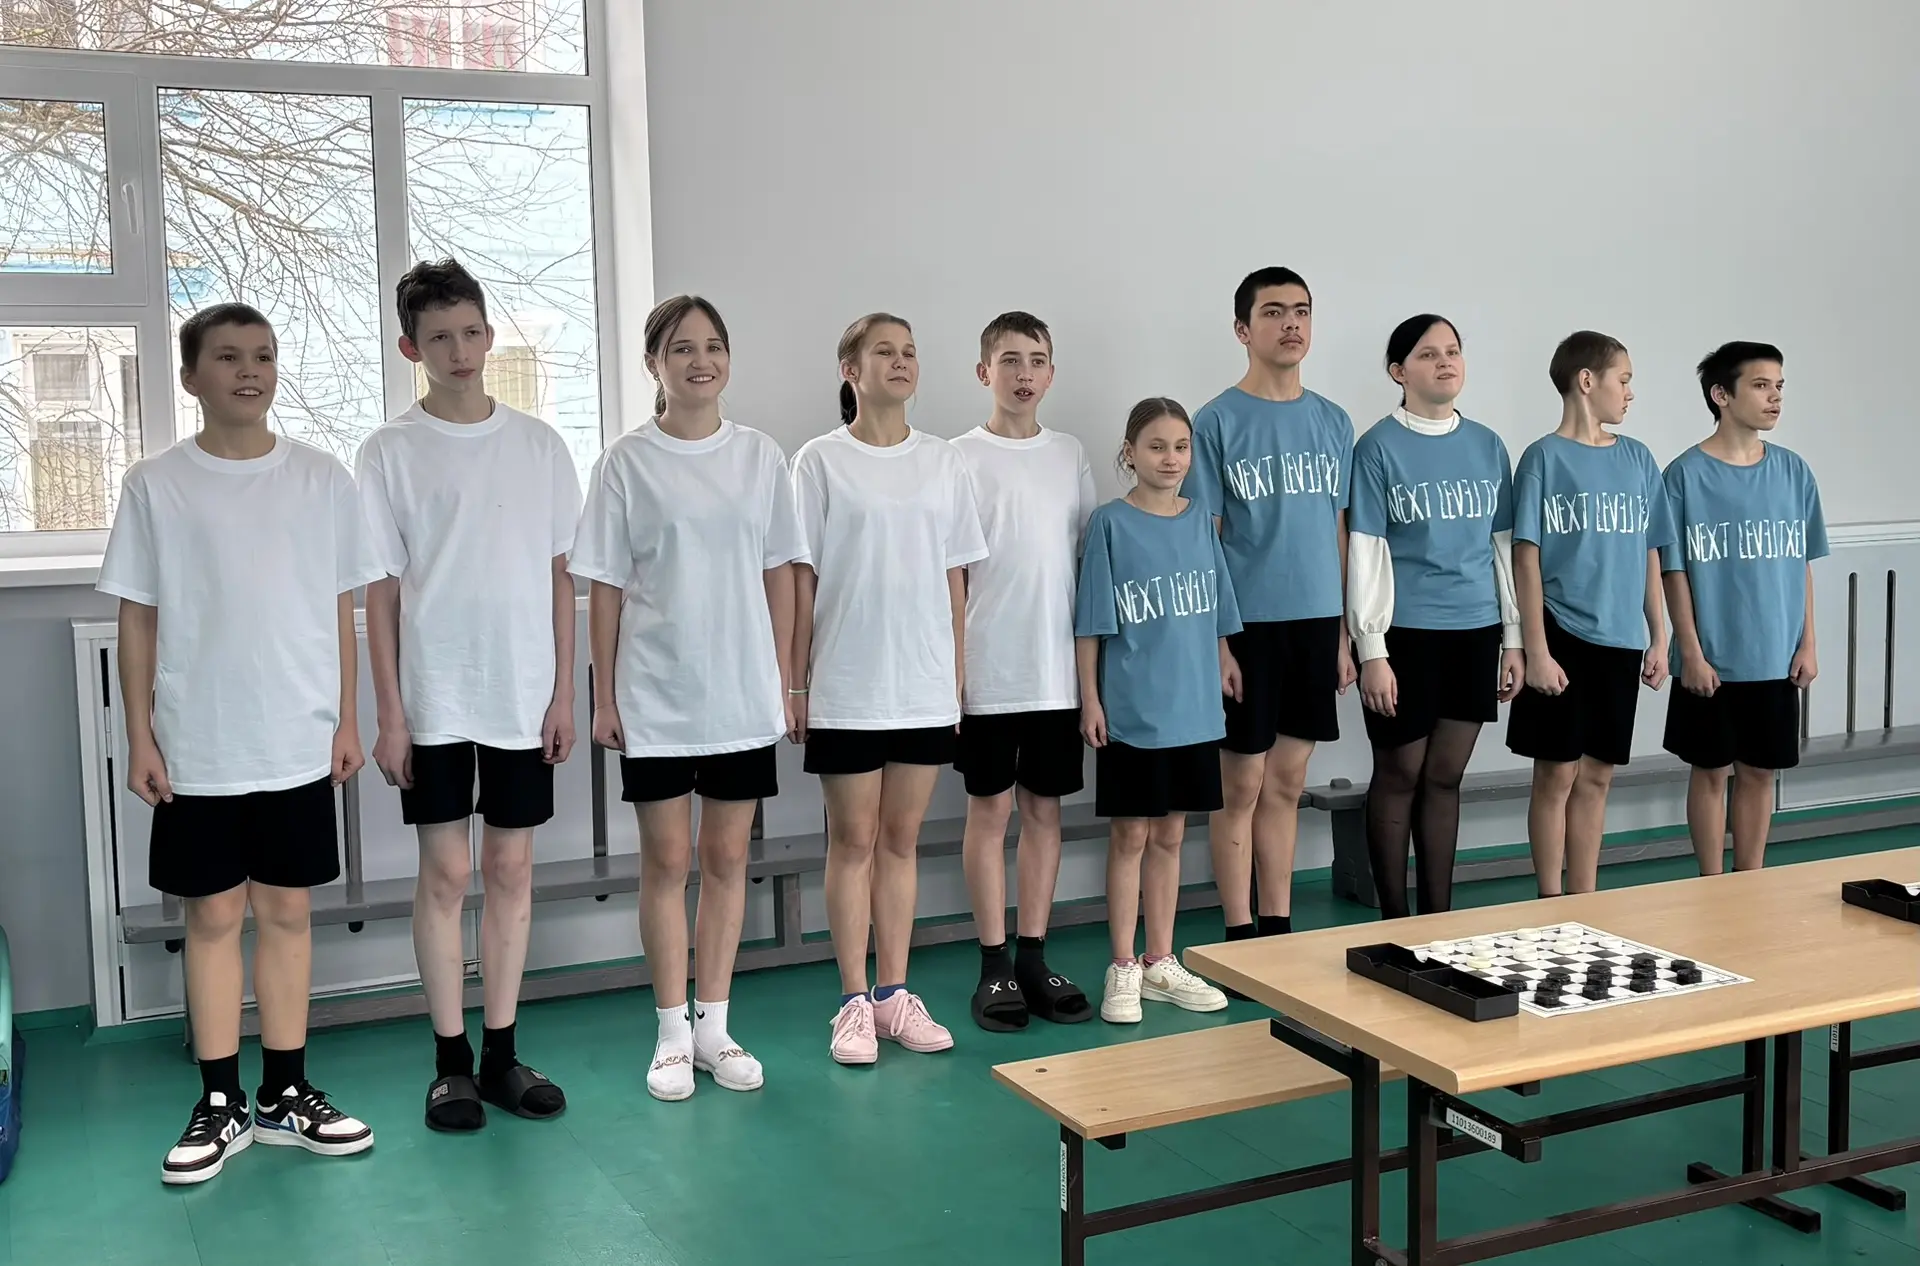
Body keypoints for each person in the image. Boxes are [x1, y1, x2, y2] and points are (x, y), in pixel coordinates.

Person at [100, 302, 381, 1183]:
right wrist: (139, 734)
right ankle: (219, 1103)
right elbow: (138, 618)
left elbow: (340, 606)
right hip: (200, 741)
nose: (248, 371)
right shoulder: (156, 485)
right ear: (191, 376)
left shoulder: (322, 479)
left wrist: (346, 718)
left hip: (295, 735)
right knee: (215, 917)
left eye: (262, 355)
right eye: (227, 357)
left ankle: (286, 1093)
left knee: (288, 913)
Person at [356, 258, 580, 1131]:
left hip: (522, 691)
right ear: (411, 347)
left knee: (511, 868)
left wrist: (563, 696)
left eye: (471, 332)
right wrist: (390, 713)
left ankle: (501, 1054)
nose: (459, 349)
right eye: (439, 337)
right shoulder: (388, 452)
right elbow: (381, 593)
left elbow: (561, 579)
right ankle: (449, 1062)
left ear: (489, 336)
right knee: (447, 871)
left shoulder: (539, 446)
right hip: (435, 694)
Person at [571, 295, 805, 1099]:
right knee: (667, 861)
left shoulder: (760, 457)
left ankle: (715, 1025)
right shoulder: (625, 462)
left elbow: (781, 573)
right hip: (656, 694)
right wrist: (604, 697)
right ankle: (671, 1030)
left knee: (728, 859)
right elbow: (604, 587)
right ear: (654, 364)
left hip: (740, 694)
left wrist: (784, 680)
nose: (700, 361)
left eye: (713, 346)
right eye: (682, 348)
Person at [791, 313, 989, 1064]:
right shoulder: (818, 462)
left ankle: (894, 995)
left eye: (910, 352)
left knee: (901, 842)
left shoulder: (943, 461)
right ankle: (851, 1003)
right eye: (885, 351)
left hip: (922, 684)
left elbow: (956, 579)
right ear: (851, 369)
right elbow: (802, 581)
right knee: (853, 842)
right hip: (846, 684)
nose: (902, 362)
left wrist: (956, 678)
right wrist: (797, 685)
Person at [1187, 267, 1356, 952]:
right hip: (1247, 626)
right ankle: (1238, 930)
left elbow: (1339, 531)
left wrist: (1344, 635)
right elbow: (1205, 538)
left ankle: (1278, 928)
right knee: (1243, 782)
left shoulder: (1333, 421)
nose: (1291, 324)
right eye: (1274, 312)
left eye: (1302, 311)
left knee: (1287, 780)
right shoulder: (1216, 421)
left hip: (1315, 623)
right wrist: (1219, 642)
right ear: (1243, 329)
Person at [951, 311, 1099, 1032]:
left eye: (1037, 360)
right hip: (987, 672)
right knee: (991, 812)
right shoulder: (958, 458)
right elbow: (949, 577)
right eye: (1010, 360)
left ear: (1051, 372)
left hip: (1054, 673)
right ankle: (993, 964)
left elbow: (1088, 563)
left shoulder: (1069, 454)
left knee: (1045, 813)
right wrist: (952, 675)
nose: (1024, 373)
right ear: (985, 372)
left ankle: (1034, 955)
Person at [1347, 316, 1523, 918]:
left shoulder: (1488, 446)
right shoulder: (1376, 448)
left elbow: (1502, 547)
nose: (1446, 362)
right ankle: (1394, 923)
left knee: (1446, 776)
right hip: (1405, 635)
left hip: (1475, 631)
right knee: (1400, 773)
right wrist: (1372, 650)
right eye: (1428, 354)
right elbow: (1366, 551)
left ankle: (1437, 921)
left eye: (1453, 351)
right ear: (1399, 372)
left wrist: (1514, 638)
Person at [1076, 398, 1240, 1024]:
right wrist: (1091, 699)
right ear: (1129, 453)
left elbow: (1218, 606)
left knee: (1171, 835)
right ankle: (1122, 965)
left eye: (1180, 447)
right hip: (1133, 712)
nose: (1171, 459)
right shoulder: (1110, 524)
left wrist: (1225, 658)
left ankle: (1160, 962)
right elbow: (1090, 623)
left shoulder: (1200, 520)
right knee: (1131, 836)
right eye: (1156, 446)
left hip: (1193, 709)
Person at [1508, 331, 1677, 896]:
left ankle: (1585, 898)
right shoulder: (1542, 459)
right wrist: (1536, 651)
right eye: (1623, 380)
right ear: (1587, 381)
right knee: (1556, 773)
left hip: (1620, 639)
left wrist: (1659, 635)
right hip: (1561, 634)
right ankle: (1549, 900)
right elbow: (1526, 559)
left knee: (1598, 775)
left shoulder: (1638, 459)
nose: (1630, 393)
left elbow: (1650, 551)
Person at [1661, 342, 1826, 874]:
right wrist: (1691, 652)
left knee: (1759, 773)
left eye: (1779, 386)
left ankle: (1749, 883)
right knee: (1710, 772)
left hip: (1775, 658)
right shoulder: (1683, 476)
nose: (1775, 397)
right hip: (1711, 660)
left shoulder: (1794, 473)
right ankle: (1710, 884)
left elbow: (1801, 564)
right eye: (1760, 385)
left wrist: (1808, 643)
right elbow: (1673, 572)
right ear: (1721, 395)